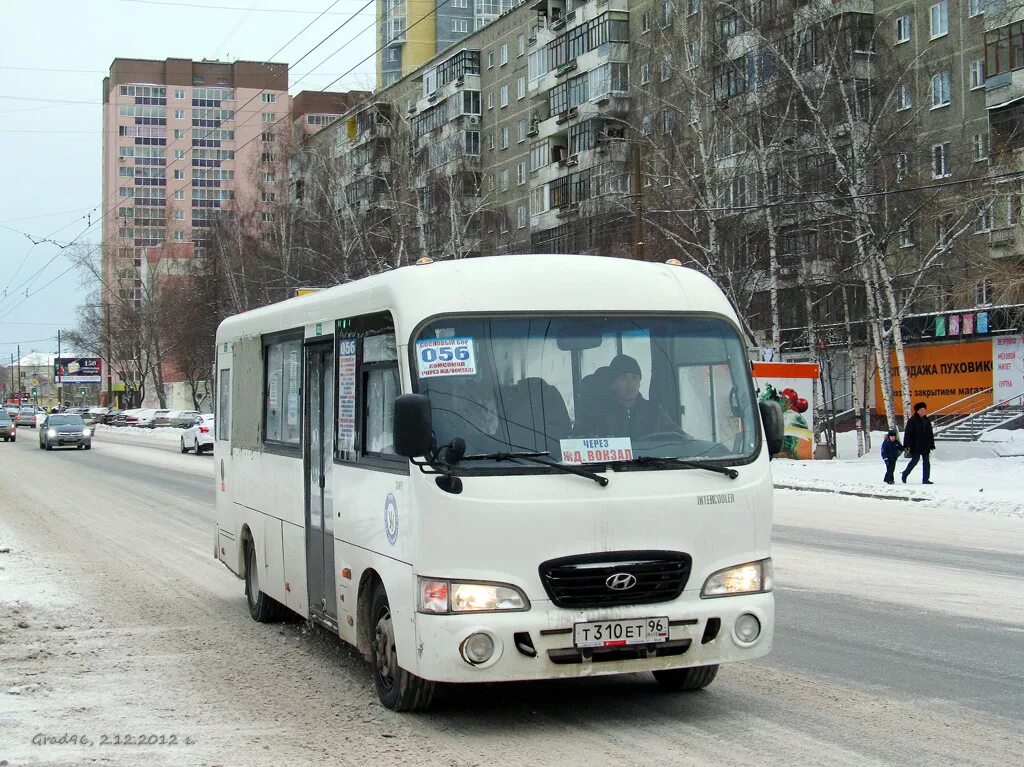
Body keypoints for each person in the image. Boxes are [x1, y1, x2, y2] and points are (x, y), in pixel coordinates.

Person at [575, 354, 678, 439]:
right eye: (623, 378)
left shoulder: (654, 412)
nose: (630, 384)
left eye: (634, 378)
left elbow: (680, 437)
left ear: (639, 383)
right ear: (613, 383)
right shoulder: (596, 415)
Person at [901, 401, 936, 484]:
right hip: (916, 444)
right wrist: (907, 444)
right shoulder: (912, 420)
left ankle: (925, 479)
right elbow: (908, 433)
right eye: (921, 410)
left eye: (924, 409)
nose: (923, 411)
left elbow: (930, 433)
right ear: (917, 411)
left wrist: (931, 443)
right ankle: (905, 473)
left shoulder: (926, 419)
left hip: (925, 444)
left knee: (926, 462)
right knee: (915, 460)